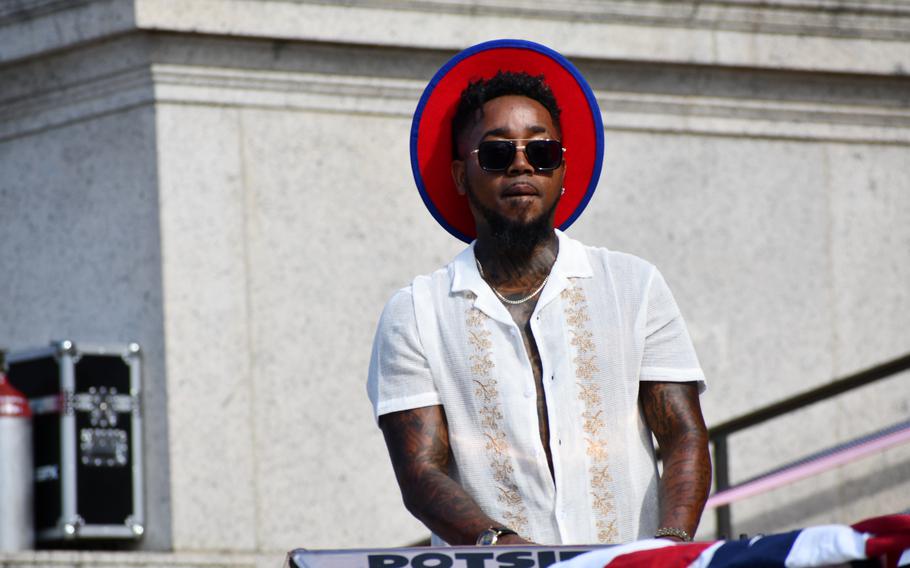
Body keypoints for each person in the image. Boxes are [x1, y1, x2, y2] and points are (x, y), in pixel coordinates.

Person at [367, 40, 710, 547]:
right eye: (498, 152)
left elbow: (683, 434)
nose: (521, 165)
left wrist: (670, 546)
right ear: (462, 174)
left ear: (563, 171)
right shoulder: (416, 313)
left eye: (541, 151)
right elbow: (421, 474)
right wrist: (504, 549)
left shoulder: (634, 286)